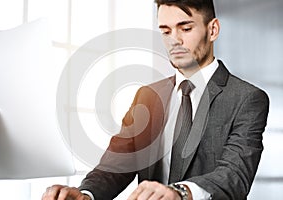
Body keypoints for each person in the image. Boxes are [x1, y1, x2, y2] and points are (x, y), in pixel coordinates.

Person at [42, 0, 269, 199]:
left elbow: (234, 175)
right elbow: (116, 166)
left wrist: (180, 193)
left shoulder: (247, 99)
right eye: (165, 31)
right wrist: (85, 195)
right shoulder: (147, 97)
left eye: (185, 28)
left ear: (213, 30)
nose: (174, 40)